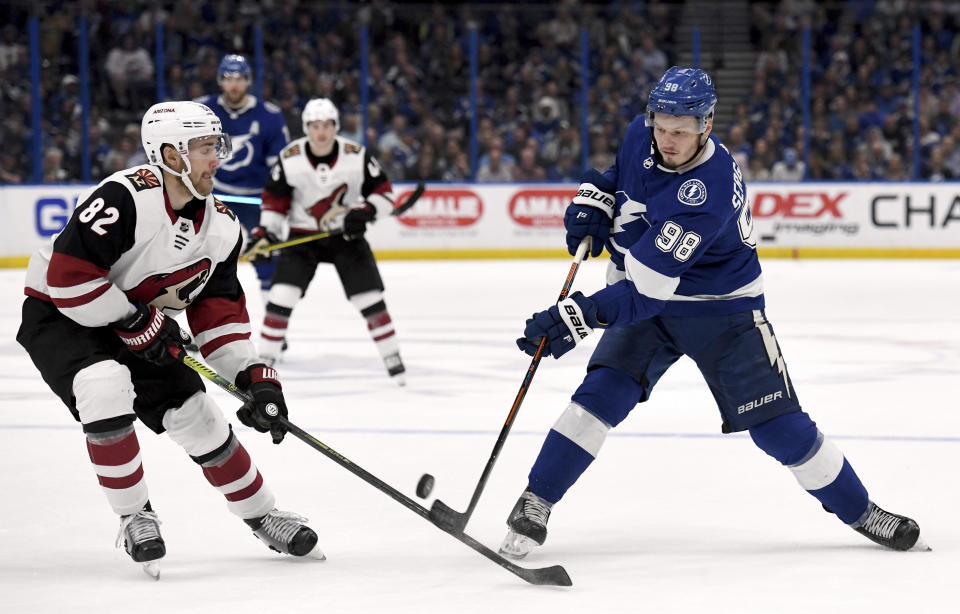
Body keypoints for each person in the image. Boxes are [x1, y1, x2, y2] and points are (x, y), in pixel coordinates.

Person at [499, 67, 924, 560]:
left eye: (680, 131)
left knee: (780, 430)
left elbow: (647, 292)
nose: (667, 139)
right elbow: (623, 176)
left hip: (724, 313)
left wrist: (577, 315)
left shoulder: (711, 187)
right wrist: (595, 197)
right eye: (660, 126)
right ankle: (536, 500)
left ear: (707, 124)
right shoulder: (644, 134)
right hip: (651, 294)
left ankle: (861, 510)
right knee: (598, 397)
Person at [16, 101, 321, 578]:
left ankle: (263, 514)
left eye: (217, 146)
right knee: (104, 384)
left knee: (197, 414)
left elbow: (217, 313)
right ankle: (135, 515)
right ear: (170, 155)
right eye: (204, 148)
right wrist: (137, 322)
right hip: (61, 314)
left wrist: (251, 374)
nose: (216, 158)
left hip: (140, 323)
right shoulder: (124, 198)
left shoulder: (222, 227)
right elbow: (70, 279)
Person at [246, 98, 407, 384]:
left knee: (369, 299)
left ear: (336, 127)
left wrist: (365, 211)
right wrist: (265, 233)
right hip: (302, 239)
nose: (321, 132)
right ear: (307, 128)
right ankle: (266, 360)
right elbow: (274, 202)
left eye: (327, 126)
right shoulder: (290, 157)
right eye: (315, 126)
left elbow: (383, 194)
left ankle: (392, 357)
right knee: (281, 297)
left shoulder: (356, 155)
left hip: (346, 237)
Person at [196, 54, 290, 300]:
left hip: (257, 198)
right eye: (228, 78)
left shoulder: (269, 115)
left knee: (266, 259)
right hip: (214, 196)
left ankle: (274, 327)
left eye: (239, 78)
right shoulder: (202, 111)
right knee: (203, 261)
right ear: (220, 81)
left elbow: (279, 167)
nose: (233, 84)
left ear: (248, 81)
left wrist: (279, 200)